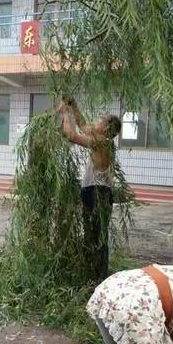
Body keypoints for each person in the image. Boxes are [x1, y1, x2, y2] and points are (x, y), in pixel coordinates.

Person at [59, 98, 122, 280]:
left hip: (98, 193)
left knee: (95, 236)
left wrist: (64, 113)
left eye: (100, 120)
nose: (96, 122)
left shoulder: (101, 143)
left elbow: (72, 136)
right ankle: (95, 273)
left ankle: (95, 275)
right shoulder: (102, 141)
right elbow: (84, 125)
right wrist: (74, 106)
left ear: (106, 128)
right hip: (96, 192)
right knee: (95, 234)